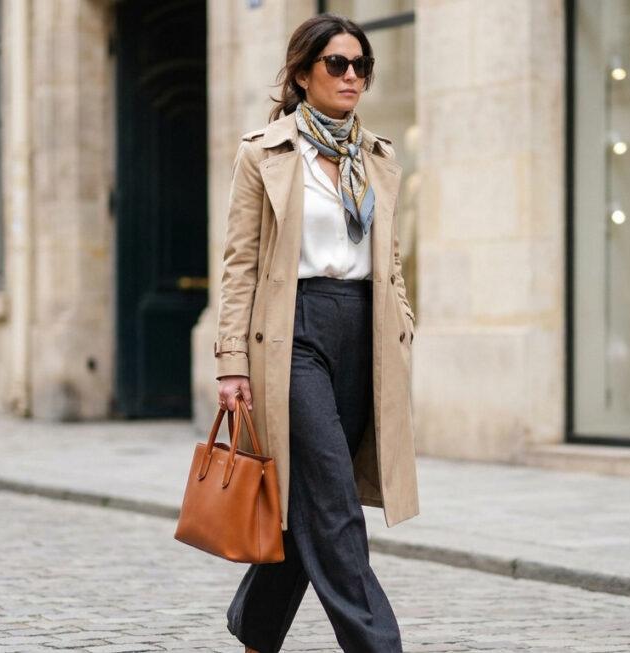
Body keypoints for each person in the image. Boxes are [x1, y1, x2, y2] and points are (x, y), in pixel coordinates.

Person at [212, 12, 420, 653]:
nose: (352, 75)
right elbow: (239, 262)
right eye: (337, 63)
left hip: (366, 333)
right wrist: (231, 362)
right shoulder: (266, 153)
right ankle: (377, 645)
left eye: (361, 65)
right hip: (291, 333)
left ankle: (255, 632)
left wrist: (403, 317)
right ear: (303, 75)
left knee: (310, 494)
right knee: (333, 499)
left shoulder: (379, 158)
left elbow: (387, 259)